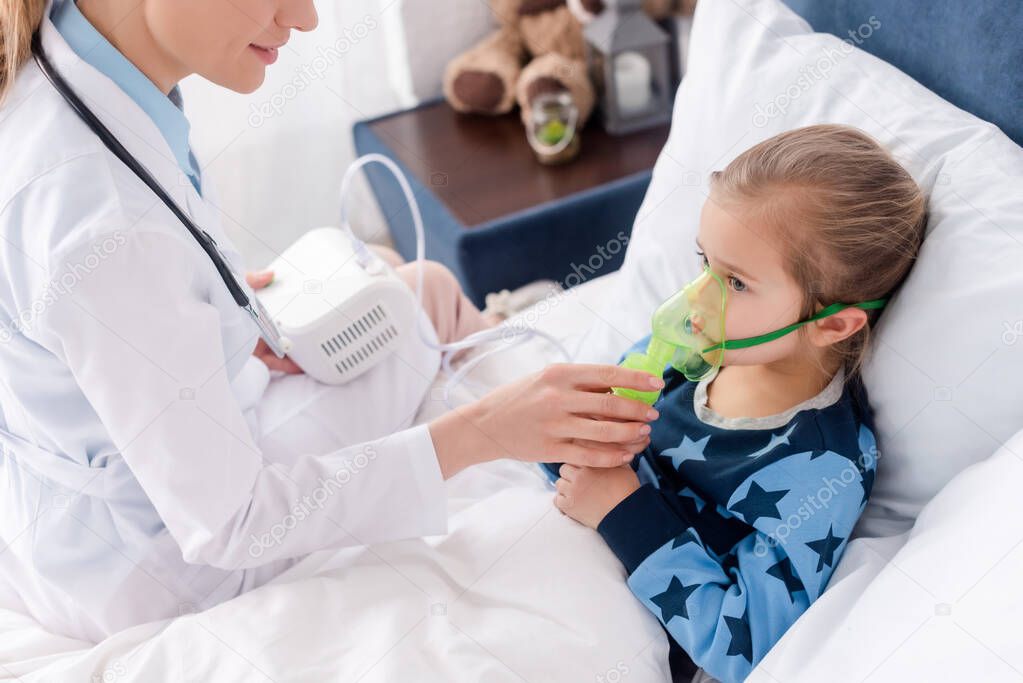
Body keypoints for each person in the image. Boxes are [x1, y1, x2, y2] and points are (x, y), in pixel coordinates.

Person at [0, 0, 661, 641]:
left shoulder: (73, 65)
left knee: (398, 281)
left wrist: (212, 313)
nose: (304, 17)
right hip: (162, 562)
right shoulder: (101, 221)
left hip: (82, 514)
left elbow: (85, 321)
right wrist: (485, 430)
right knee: (424, 293)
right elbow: (234, 524)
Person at [546, 125, 927, 682]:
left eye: (737, 283)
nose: (696, 300)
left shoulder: (822, 470)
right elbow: (559, 454)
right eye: (705, 264)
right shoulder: (678, 357)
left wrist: (621, 511)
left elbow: (743, 648)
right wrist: (576, 439)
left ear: (834, 324)